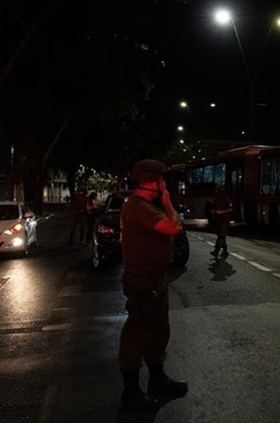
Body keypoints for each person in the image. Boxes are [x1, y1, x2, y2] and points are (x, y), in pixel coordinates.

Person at [118, 159, 188, 410]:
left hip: (155, 276)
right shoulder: (139, 207)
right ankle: (131, 391)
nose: (165, 184)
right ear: (154, 180)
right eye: (162, 179)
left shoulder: (144, 205)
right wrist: (168, 202)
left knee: (159, 328)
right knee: (137, 332)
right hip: (143, 279)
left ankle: (157, 378)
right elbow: (173, 228)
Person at [210, 184, 233, 258]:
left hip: (224, 219)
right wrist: (213, 211)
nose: (217, 191)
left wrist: (221, 212)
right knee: (220, 235)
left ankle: (216, 251)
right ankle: (225, 251)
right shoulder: (216, 198)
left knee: (221, 236)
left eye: (218, 189)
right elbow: (213, 207)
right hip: (217, 219)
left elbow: (230, 209)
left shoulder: (226, 198)